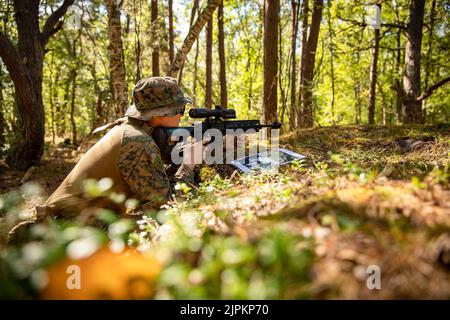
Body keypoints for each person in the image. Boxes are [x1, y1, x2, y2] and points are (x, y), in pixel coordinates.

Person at [35, 76, 196, 219]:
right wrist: (189, 164)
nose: (181, 116)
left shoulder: (131, 129)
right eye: (180, 110)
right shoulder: (138, 142)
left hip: (74, 220)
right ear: (160, 114)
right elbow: (167, 206)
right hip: (69, 227)